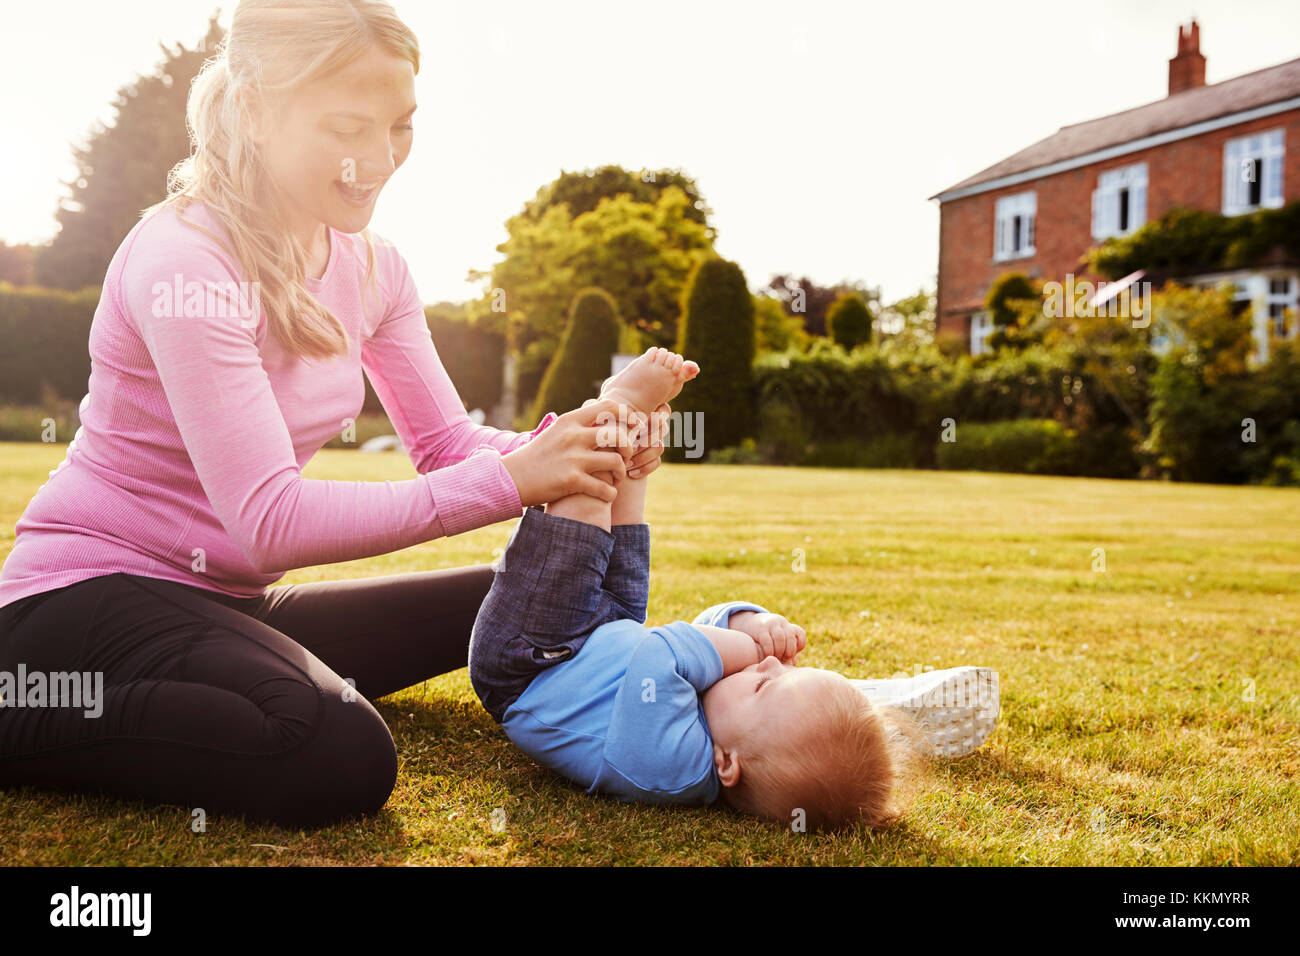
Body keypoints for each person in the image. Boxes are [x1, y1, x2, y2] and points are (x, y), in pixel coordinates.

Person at [0, 0, 668, 830]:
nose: (379, 160)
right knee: (335, 750)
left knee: (526, 599)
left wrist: (579, 445)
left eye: (400, 126)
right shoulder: (186, 259)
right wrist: (516, 479)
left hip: (226, 603)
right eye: (348, 127)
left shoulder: (374, 269)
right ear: (253, 109)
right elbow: (269, 523)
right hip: (82, 605)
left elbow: (447, 445)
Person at [470, 348, 999, 831]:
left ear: (728, 764)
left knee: (585, 499)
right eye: (784, 669)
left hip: (532, 663)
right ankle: (631, 463)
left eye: (765, 685)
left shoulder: (670, 769)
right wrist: (748, 622)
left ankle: (613, 411)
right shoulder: (725, 727)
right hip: (606, 634)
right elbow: (702, 639)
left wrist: (742, 646)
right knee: (624, 522)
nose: (767, 666)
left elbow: (666, 653)